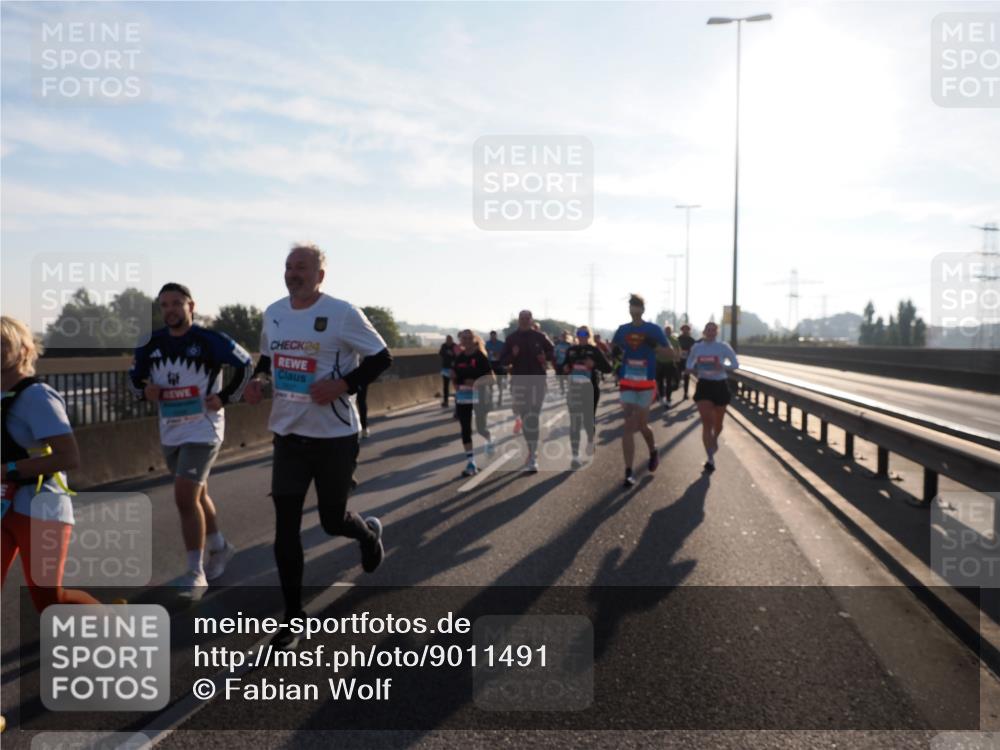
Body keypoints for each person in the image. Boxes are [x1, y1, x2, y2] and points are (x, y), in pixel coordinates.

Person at [242, 243, 392, 651]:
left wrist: (343, 385)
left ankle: (366, 534)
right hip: (288, 435)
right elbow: (268, 357)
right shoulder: (274, 312)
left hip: (335, 437)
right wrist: (259, 381)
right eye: (289, 267)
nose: (293, 274)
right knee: (285, 528)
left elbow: (382, 358)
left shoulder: (343, 313)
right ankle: (293, 617)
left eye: (302, 268)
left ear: (320, 275)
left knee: (331, 520)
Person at [128, 283, 253, 599]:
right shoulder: (151, 343)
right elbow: (133, 379)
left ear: (191, 306)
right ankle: (220, 547)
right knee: (197, 495)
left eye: (176, 303)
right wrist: (145, 391)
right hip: (171, 429)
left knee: (184, 497)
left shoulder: (210, 340)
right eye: (164, 304)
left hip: (204, 429)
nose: (170, 309)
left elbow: (246, 365)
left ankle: (195, 573)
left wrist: (225, 397)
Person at [1, 315, 100, 613]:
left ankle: (111, 623)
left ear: (24, 350)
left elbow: (68, 457)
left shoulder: (38, 397)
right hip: (4, 504)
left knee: (50, 600)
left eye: (3, 343)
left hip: (41, 507)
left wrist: (9, 471)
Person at [611, 294, 668, 487]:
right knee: (628, 424)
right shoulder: (622, 330)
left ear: (643, 309)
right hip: (627, 382)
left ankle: (653, 450)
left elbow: (671, 354)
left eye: (637, 305)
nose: (633, 308)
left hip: (646, 384)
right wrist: (615, 355)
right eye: (631, 305)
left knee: (642, 425)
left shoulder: (653, 330)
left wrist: (654, 346)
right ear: (629, 309)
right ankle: (628, 471)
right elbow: (613, 349)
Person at [500, 310, 554, 473]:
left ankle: (533, 455)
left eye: (527, 319)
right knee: (525, 418)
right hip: (519, 382)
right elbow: (503, 360)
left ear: (531, 320)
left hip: (537, 381)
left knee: (533, 417)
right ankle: (532, 450)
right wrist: (512, 355)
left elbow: (553, 352)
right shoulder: (511, 339)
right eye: (521, 319)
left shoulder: (540, 337)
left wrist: (546, 358)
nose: (524, 321)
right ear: (518, 320)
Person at [684, 321, 739, 473]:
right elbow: (690, 360)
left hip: (720, 385)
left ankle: (714, 440)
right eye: (708, 329)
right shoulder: (697, 347)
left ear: (717, 332)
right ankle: (710, 458)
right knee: (707, 422)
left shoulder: (723, 347)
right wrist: (689, 368)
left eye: (713, 330)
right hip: (704, 386)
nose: (711, 332)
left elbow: (735, 364)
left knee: (718, 423)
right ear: (704, 331)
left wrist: (723, 367)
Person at [563, 326, 612, 468]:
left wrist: (594, 364)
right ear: (576, 335)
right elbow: (563, 367)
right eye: (579, 333)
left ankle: (590, 441)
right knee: (575, 423)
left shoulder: (595, 350)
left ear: (588, 335)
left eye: (585, 333)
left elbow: (608, 368)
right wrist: (565, 368)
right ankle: (575, 456)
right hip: (574, 390)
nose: (582, 335)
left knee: (588, 421)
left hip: (590, 390)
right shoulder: (571, 350)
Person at [452, 330, 495, 476]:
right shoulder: (459, 358)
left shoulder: (480, 356)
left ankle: (489, 439)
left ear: (474, 340)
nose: (467, 341)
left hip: (480, 395)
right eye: (464, 338)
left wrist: (476, 382)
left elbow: (492, 379)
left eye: (470, 338)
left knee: (481, 427)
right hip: (463, 396)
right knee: (465, 428)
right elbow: (456, 377)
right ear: (461, 341)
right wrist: (456, 383)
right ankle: (471, 463)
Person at [655, 325, 682, 407]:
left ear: (671, 331)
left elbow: (678, 351)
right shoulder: (659, 340)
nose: (668, 331)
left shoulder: (674, 340)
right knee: (659, 381)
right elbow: (655, 350)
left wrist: (677, 358)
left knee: (670, 382)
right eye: (666, 330)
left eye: (669, 330)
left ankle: (668, 399)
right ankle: (662, 397)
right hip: (659, 363)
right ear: (664, 331)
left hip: (670, 363)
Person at [485, 330, 506, 407]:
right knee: (490, 384)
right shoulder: (487, 344)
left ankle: (500, 400)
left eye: (494, 336)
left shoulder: (501, 344)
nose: (493, 337)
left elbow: (504, 353)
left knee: (499, 383)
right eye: (492, 336)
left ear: (496, 336)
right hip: (491, 364)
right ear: (490, 336)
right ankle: (490, 400)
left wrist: (499, 354)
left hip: (499, 364)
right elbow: (485, 352)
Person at [677, 324, 697, 400]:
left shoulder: (692, 340)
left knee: (686, 377)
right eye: (684, 329)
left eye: (687, 329)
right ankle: (676, 384)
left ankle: (685, 393)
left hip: (688, 361)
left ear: (689, 330)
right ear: (681, 330)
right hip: (679, 360)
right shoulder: (678, 339)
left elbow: (695, 350)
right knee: (677, 376)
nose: (685, 331)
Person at [438, 335, 456, 408]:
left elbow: (458, 355)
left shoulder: (455, 346)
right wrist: (446, 353)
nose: (448, 341)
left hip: (453, 368)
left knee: (456, 385)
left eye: (450, 339)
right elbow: (440, 353)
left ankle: (458, 400)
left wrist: (452, 354)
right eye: (447, 339)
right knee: (445, 386)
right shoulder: (443, 346)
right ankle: (446, 401)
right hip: (445, 368)